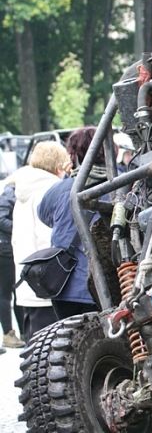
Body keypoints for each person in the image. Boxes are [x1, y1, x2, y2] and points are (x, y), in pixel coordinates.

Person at [39, 128, 104, 319]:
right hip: (109, 284)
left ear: (73, 154)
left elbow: (44, 216)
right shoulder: (122, 185)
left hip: (66, 285)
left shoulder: (60, 189)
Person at [12, 141, 71, 341]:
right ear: (59, 164)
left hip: (28, 282)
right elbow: (52, 239)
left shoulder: (23, 190)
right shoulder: (51, 190)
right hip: (49, 283)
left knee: (35, 349)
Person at [0, 181, 24, 348]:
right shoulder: (9, 195)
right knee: (6, 294)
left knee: (16, 292)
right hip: (5, 251)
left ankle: (22, 332)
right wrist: (20, 227)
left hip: (8, 249)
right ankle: (9, 334)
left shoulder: (12, 195)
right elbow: (1, 219)